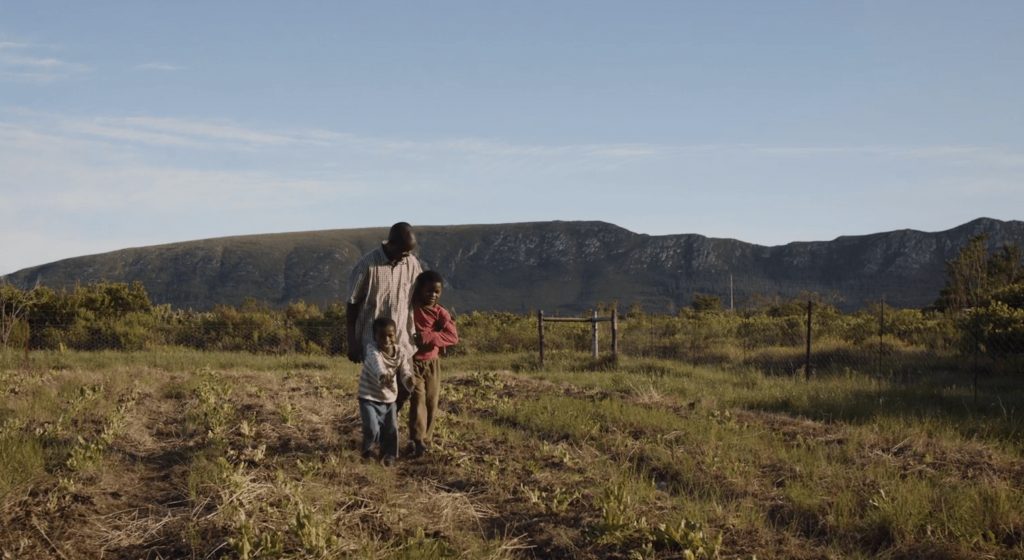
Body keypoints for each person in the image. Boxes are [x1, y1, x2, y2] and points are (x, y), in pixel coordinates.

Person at [346, 222, 422, 364]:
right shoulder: (366, 266)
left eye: (409, 252)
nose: (406, 256)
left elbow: (420, 296)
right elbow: (352, 304)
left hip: (403, 342)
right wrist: (352, 341)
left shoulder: (412, 263)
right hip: (374, 345)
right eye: (403, 252)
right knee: (379, 386)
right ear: (391, 244)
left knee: (408, 385)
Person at [403, 270, 458, 458]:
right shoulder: (410, 309)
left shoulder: (440, 312)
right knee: (418, 399)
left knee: (432, 401)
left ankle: (426, 439)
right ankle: (417, 441)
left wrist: (429, 336)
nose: (433, 296)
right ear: (419, 290)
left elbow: (452, 336)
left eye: (437, 292)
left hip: (432, 362)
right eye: (429, 292)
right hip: (413, 362)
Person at [358, 317, 413, 466]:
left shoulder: (400, 352)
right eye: (381, 336)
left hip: (389, 398)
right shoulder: (372, 349)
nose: (386, 339)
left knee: (392, 429)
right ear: (375, 337)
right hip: (368, 396)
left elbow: (405, 371)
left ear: (395, 335)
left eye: (390, 335)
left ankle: (389, 455)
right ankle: (366, 450)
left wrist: (410, 381)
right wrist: (382, 375)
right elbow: (377, 364)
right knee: (371, 428)